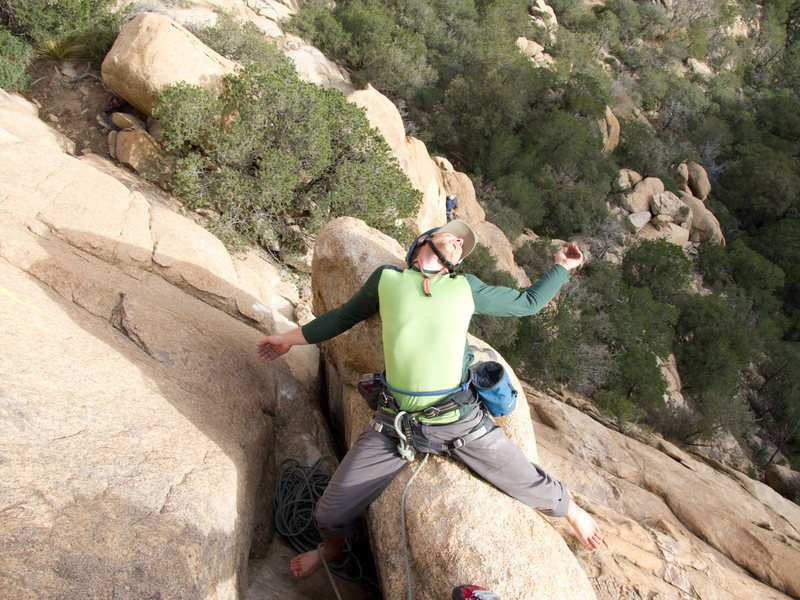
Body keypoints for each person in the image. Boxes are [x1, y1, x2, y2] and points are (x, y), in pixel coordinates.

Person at [257, 220, 603, 580]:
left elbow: (528, 302)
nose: (459, 241)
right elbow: (343, 317)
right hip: (395, 424)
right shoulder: (388, 280)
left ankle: (572, 511)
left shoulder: (465, 288)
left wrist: (564, 265)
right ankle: (330, 549)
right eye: (452, 236)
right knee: (328, 514)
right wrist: (289, 339)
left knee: (523, 476)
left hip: (457, 419)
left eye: (463, 245)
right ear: (423, 241)